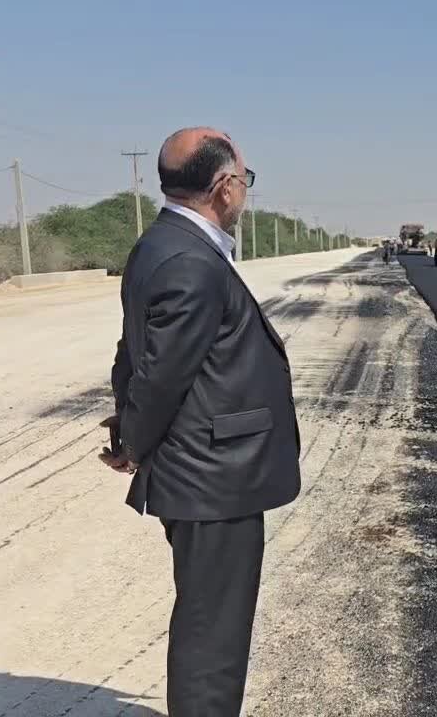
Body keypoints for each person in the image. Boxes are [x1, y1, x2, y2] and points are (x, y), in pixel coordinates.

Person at [99, 127, 301, 715]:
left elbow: (132, 352)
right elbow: (161, 374)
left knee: (206, 616)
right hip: (214, 477)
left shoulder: (158, 245)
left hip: (202, 471)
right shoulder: (192, 260)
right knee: (214, 632)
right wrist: (133, 441)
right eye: (245, 180)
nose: (245, 192)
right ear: (223, 187)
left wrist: (126, 426)